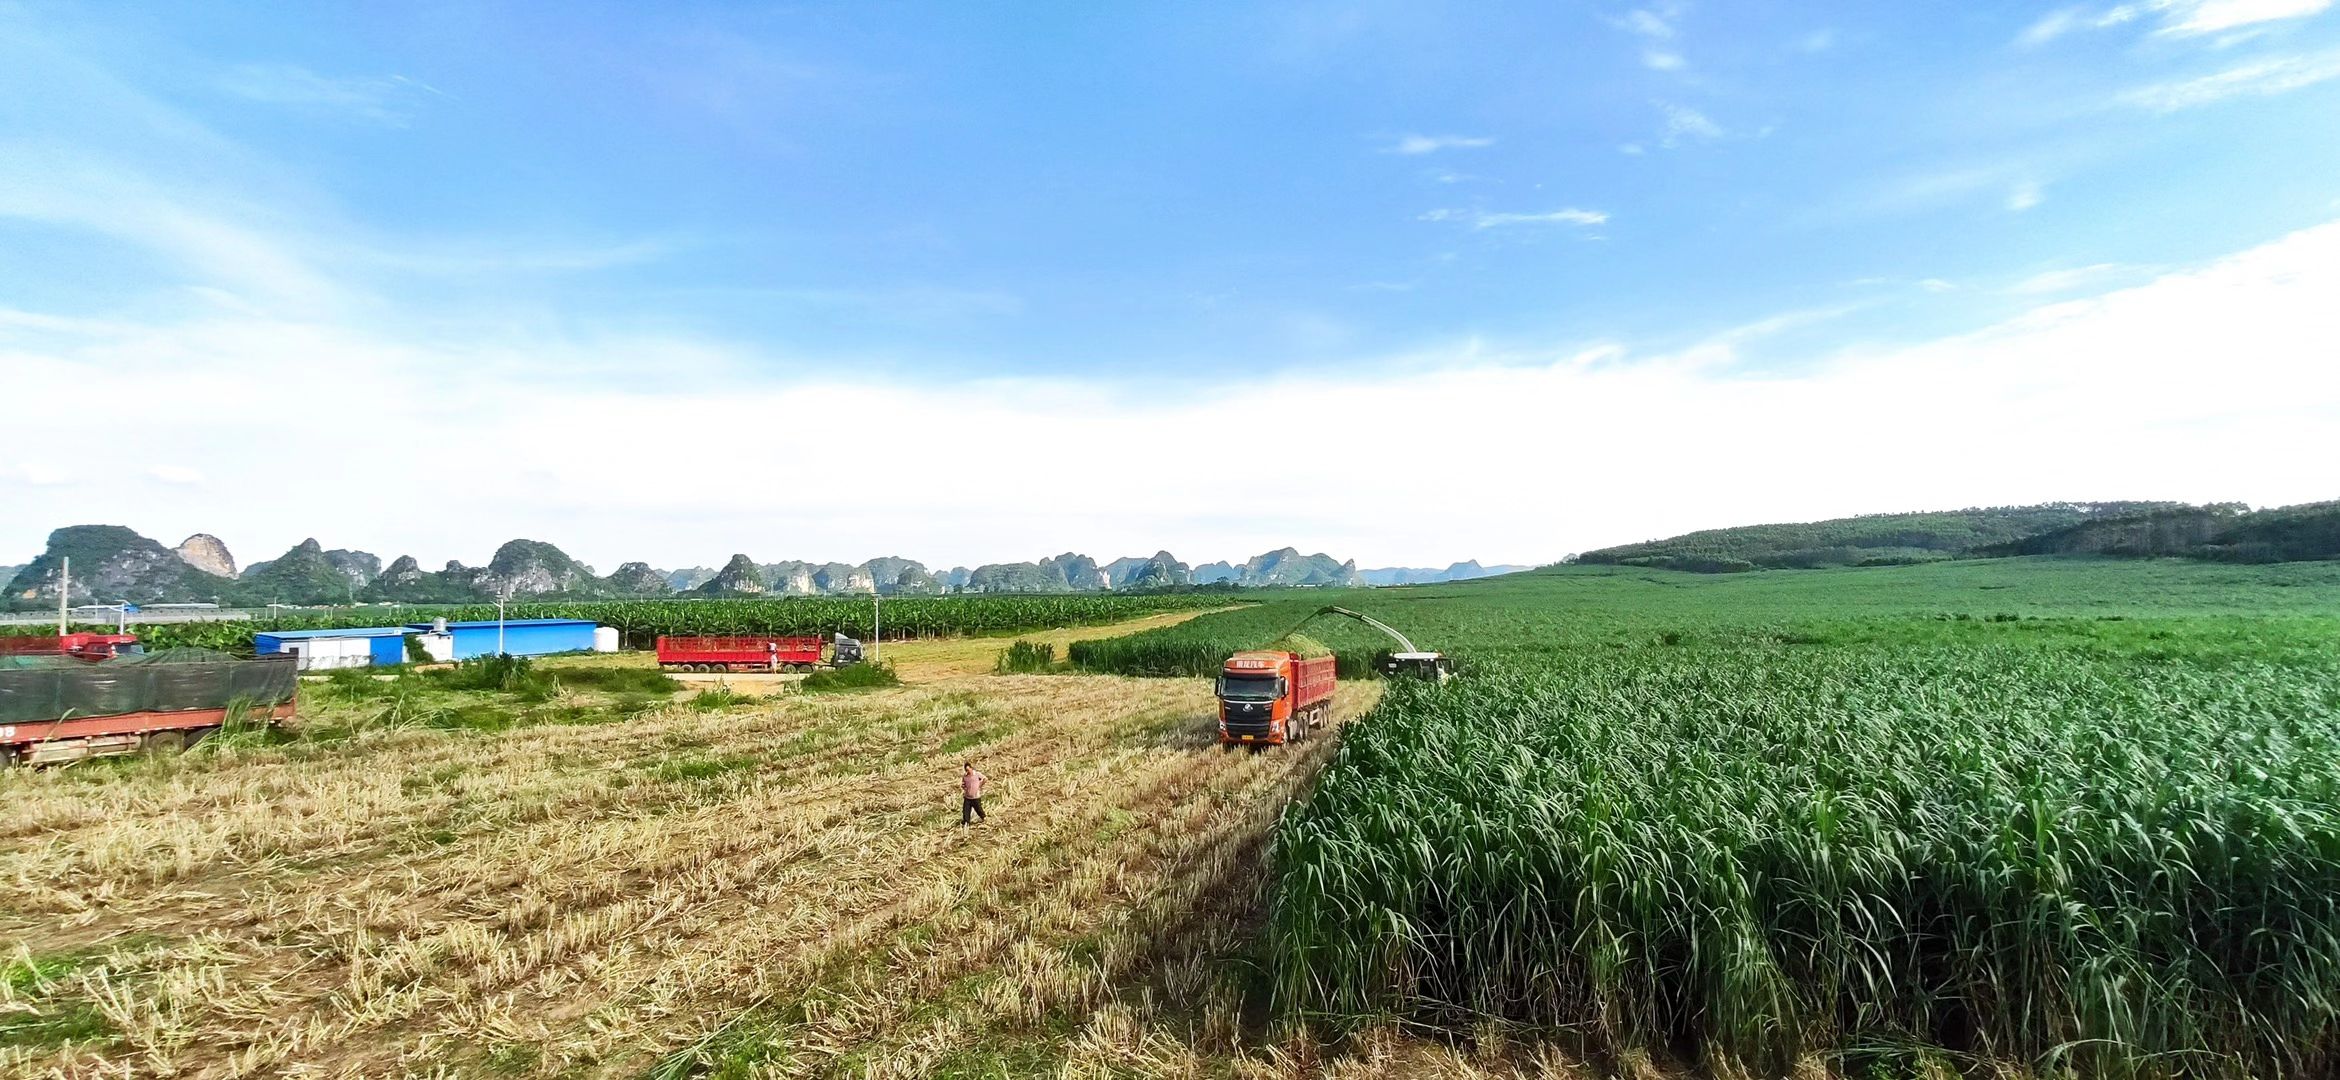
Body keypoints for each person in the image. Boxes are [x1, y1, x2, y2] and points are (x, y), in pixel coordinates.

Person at [960, 761, 988, 825]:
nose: (968, 771)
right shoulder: (965, 776)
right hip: (967, 796)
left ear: (971, 768)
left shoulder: (977, 774)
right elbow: (963, 784)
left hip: (975, 796)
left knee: (978, 809)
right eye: (966, 770)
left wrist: (980, 785)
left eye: (968, 769)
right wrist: (964, 787)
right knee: (966, 810)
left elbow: (985, 779)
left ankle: (984, 818)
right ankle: (966, 822)